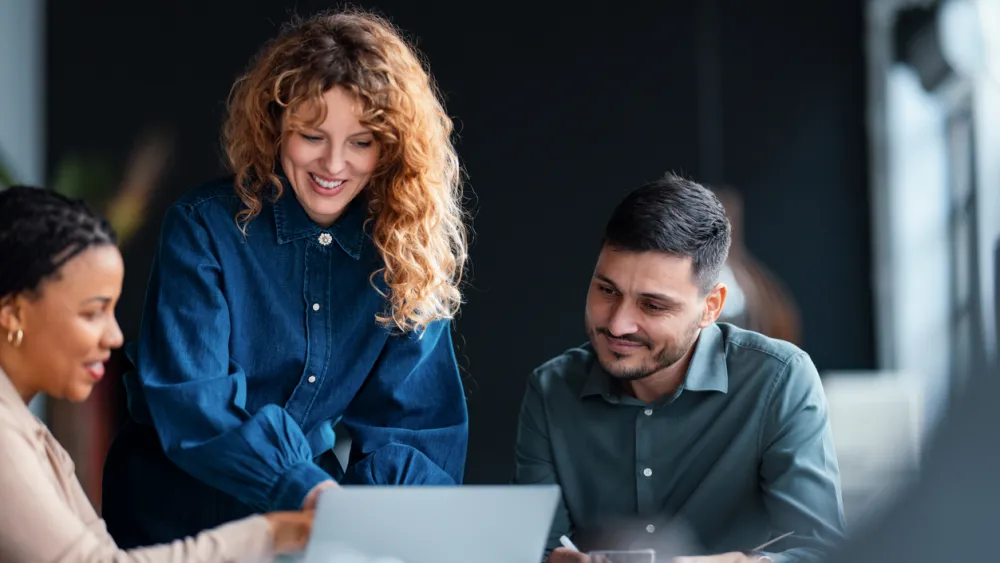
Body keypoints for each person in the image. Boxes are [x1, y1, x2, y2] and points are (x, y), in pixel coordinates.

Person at [101, 8, 470, 548]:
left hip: (310, 525)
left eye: (362, 142)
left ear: (391, 148)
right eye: (312, 136)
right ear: (275, 125)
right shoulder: (203, 226)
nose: (334, 164)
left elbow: (415, 429)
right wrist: (311, 493)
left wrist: (375, 522)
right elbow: (194, 403)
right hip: (175, 514)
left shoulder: (403, 250)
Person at [514, 173, 846, 563]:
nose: (618, 324)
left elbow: (823, 552)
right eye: (607, 291)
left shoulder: (779, 379)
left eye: (653, 306)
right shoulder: (550, 388)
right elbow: (535, 550)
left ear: (711, 307)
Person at [0, 185, 313, 562]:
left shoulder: (30, 435)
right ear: (13, 313)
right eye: (92, 313)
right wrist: (272, 532)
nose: (114, 337)